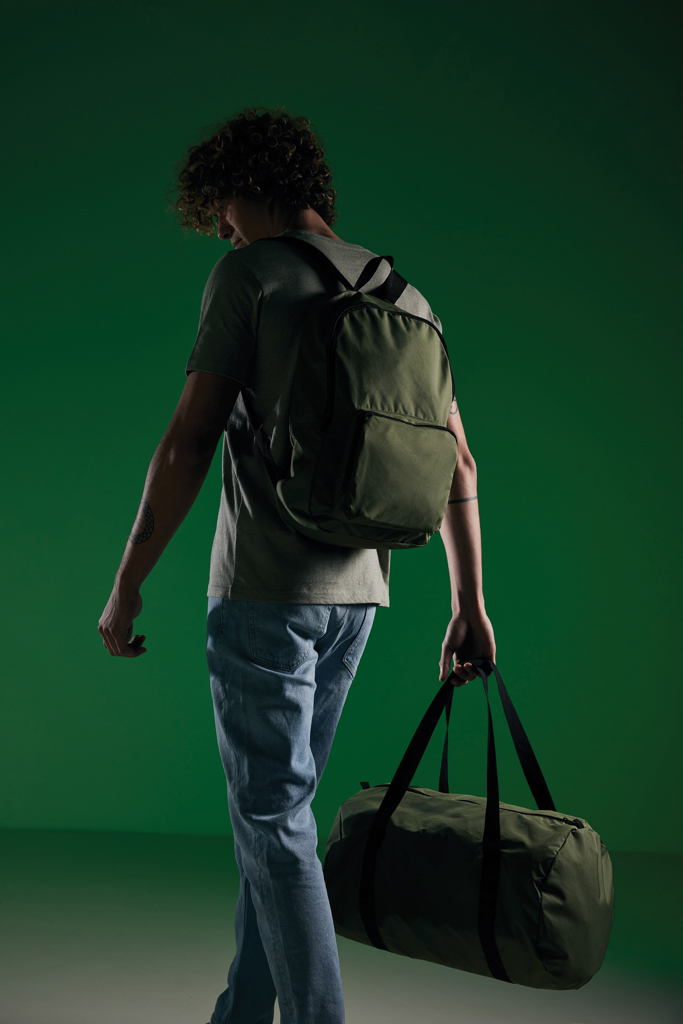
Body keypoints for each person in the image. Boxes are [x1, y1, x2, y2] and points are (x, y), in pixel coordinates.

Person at [98, 106, 496, 1024]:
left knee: (273, 824)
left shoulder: (251, 276)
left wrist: (127, 580)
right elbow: (460, 466)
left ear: (248, 185)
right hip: (360, 599)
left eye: (223, 209)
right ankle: (242, 1013)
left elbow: (188, 441)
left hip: (264, 593)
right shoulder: (408, 299)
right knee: (277, 823)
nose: (222, 229)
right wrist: (468, 603)